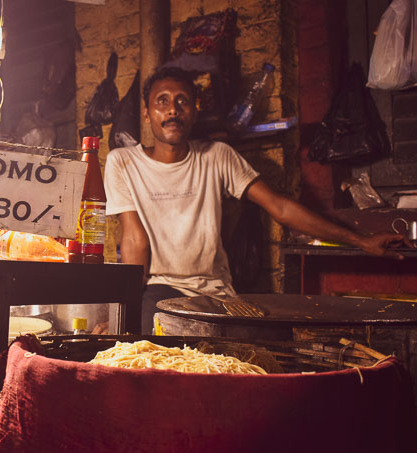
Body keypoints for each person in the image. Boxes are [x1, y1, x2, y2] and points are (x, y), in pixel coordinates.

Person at [103, 66, 408, 334]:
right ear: (147, 113)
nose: (173, 110)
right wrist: (120, 312)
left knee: (270, 345)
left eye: (182, 100)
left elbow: (281, 208)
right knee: (151, 340)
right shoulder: (123, 162)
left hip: (216, 292)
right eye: (162, 101)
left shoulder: (217, 156)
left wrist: (360, 240)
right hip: (158, 289)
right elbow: (134, 239)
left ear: (194, 110)